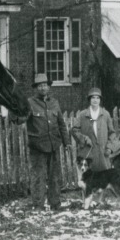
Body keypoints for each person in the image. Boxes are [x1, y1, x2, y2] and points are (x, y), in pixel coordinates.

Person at [26, 73, 70, 211]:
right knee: (38, 177)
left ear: (49, 87)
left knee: (55, 176)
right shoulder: (30, 103)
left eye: (45, 85)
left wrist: (66, 142)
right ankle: (38, 205)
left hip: (54, 145)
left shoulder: (54, 103)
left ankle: (55, 204)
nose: (43, 88)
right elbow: (20, 119)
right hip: (38, 147)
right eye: (40, 85)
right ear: (36, 88)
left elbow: (61, 124)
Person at [71, 87, 114, 172]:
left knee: (103, 178)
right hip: (88, 153)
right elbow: (74, 130)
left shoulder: (105, 114)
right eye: (93, 97)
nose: (95, 100)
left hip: (102, 153)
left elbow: (112, 133)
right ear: (89, 99)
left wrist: (109, 147)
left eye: (98, 98)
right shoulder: (83, 115)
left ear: (100, 100)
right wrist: (84, 139)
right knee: (89, 179)